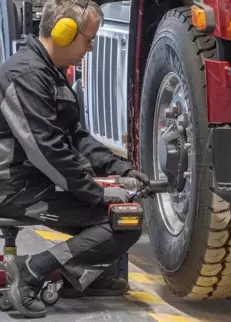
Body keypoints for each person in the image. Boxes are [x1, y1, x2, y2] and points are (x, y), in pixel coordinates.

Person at [0, 0, 148, 318]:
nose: (91, 48)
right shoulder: (26, 75)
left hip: (34, 183)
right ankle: (31, 272)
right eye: (89, 38)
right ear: (64, 33)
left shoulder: (49, 75)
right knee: (123, 222)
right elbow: (46, 150)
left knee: (124, 212)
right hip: (13, 187)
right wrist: (97, 192)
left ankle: (74, 279)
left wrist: (119, 168)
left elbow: (77, 138)